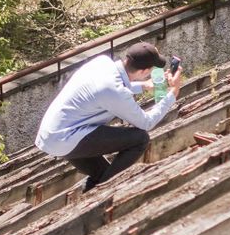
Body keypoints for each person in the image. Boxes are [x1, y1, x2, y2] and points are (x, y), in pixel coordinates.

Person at [35, 42, 183, 191]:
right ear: (144, 71)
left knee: (103, 175)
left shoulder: (102, 62)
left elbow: (108, 88)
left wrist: (143, 85)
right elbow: (146, 123)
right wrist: (172, 93)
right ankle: (102, 193)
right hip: (65, 138)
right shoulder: (115, 91)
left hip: (53, 133)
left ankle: (90, 198)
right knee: (140, 139)